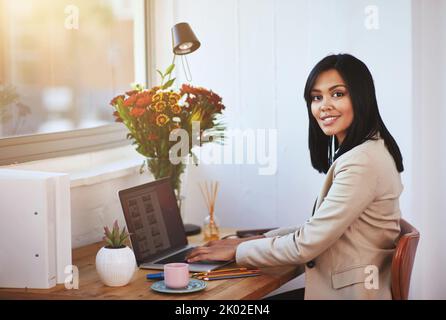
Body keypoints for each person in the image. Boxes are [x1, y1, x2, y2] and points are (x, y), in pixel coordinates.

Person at [186, 53, 404, 300]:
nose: (324, 106)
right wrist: (259, 239)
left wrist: (238, 251)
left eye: (338, 94)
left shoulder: (362, 162)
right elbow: (318, 228)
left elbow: (305, 245)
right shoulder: (369, 149)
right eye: (316, 97)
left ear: (361, 97)